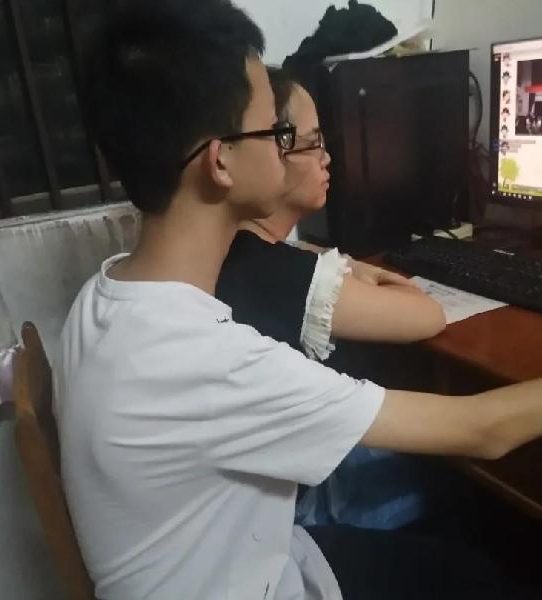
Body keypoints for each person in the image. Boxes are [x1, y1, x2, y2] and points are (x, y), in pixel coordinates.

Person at [56, 2, 542, 598]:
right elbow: (482, 430)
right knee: (483, 568)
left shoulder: (108, 295)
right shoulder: (201, 358)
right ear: (220, 163)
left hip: (259, 558)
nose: (290, 145)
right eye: (273, 130)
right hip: (265, 583)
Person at [216, 68, 445, 530]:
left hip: (263, 480)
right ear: (271, 152)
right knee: (447, 476)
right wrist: (363, 272)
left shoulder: (229, 248)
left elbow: (302, 255)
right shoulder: (283, 277)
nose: (327, 158)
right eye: (313, 142)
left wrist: (340, 264)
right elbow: (430, 315)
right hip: (295, 512)